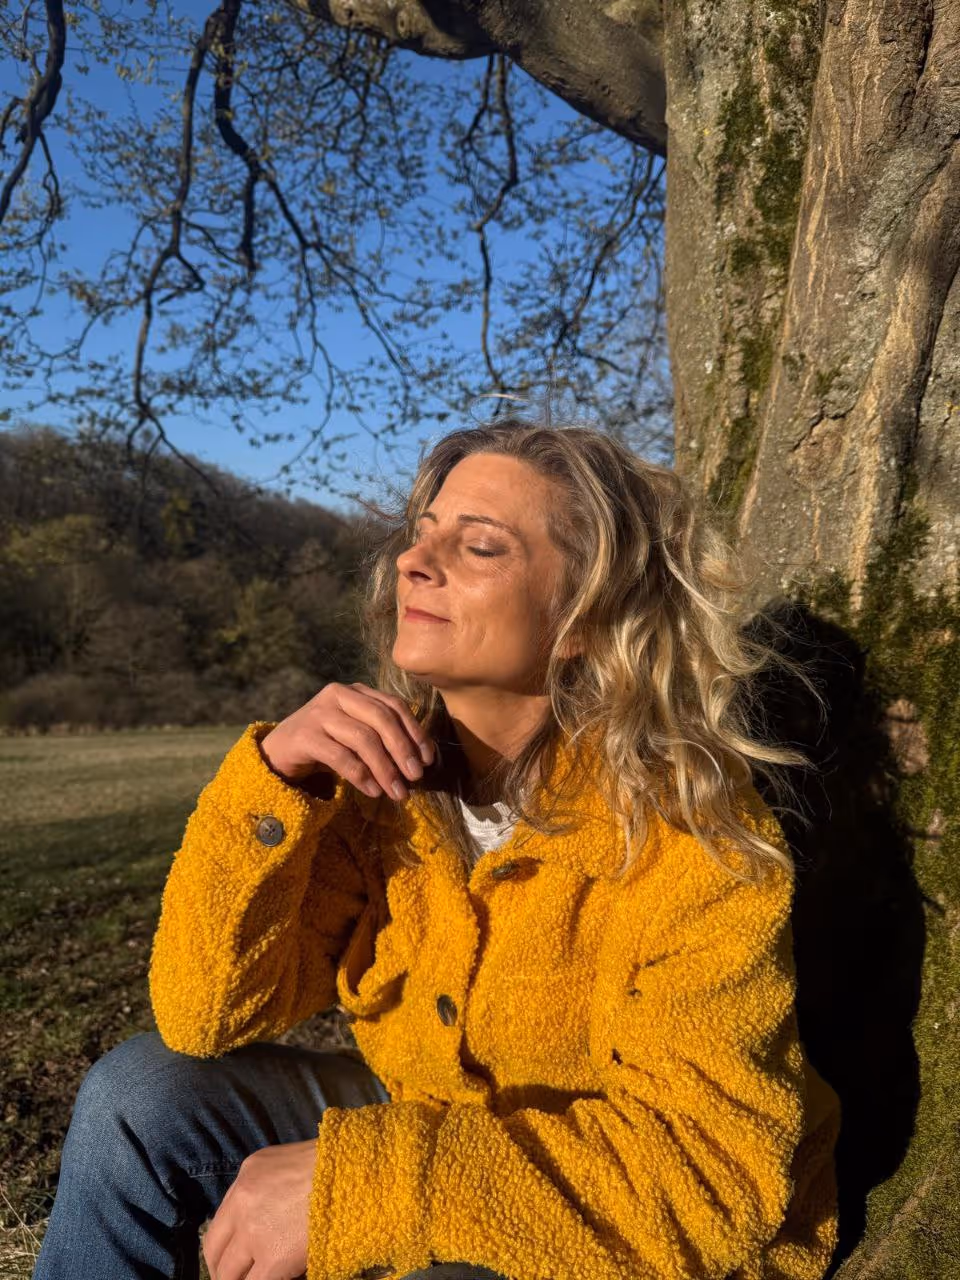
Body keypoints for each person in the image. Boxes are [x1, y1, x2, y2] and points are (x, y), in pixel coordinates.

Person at [32, 418, 842, 1280]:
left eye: (480, 547)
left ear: (584, 619)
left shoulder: (690, 835)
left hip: (634, 1224)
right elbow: (204, 1013)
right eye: (422, 536)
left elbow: (710, 1177)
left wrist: (366, 1181)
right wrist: (275, 784)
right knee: (138, 1095)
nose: (413, 563)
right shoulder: (382, 794)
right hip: (428, 1107)